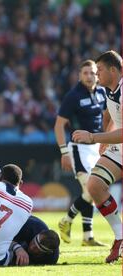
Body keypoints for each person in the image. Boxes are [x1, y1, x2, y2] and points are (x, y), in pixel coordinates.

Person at [72, 50, 122, 263]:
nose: (96, 74)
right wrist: (105, 138)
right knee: (94, 185)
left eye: (99, 70)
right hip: (119, 148)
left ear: (113, 70)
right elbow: (109, 113)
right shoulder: (110, 89)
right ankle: (120, 237)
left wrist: (94, 137)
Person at [55, 59, 106, 246]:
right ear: (79, 75)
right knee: (91, 189)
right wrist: (64, 152)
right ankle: (67, 221)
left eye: (92, 72)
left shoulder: (101, 92)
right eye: (85, 73)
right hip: (78, 149)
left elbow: (106, 117)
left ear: (97, 75)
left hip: (96, 146)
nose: (89, 76)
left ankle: (87, 236)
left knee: (90, 190)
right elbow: (59, 126)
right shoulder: (73, 96)